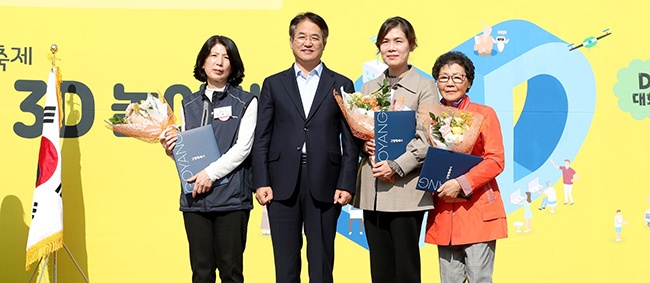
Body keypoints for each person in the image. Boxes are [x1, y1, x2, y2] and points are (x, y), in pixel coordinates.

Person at [251, 12, 359, 283]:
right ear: (291, 41)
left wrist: (347, 184)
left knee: (322, 265)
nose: (308, 42)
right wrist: (261, 181)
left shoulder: (342, 84)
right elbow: (262, 137)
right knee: (285, 265)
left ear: (324, 43)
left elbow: (351, 140)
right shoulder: (273, 84)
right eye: (302, 36)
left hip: (325, 182)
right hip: (281, 184)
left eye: (315, 37)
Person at [160, 35, 257, 283]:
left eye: (226, 57)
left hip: (231, 200)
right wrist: (172, 150)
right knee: (201, 273)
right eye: (213, 55)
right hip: (195, 200)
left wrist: (209, 174)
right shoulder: (188, 103)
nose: (219, 62)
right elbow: (188, 152)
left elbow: (243, 148)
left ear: (234, 65)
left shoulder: (246, 101)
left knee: (231, 272)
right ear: (202, 62)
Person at [355, 16, 436, 283]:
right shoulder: (368, 87)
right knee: (379, 269)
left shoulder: (425, 87)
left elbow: (426, 138)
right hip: (373, 189)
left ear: (411, 45)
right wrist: (364, 144)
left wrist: (396, 165)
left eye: (398, 41)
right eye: (385, 41)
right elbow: (359, 129)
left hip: (406, 191)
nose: (391, 47)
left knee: (406, 269)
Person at [424, 51, 508, 283]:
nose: (450, 83)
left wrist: (461, 183)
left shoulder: (484, 114)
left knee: (479, 278)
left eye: (457, 78)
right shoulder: (428, 116)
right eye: (443, 78)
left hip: (477, 211)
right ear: (436, 82)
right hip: (443, 212)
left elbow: (495, 160)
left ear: (468, 82)